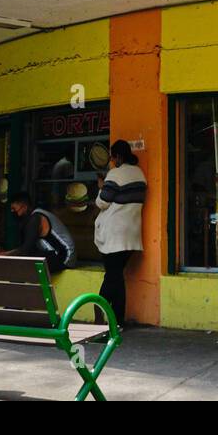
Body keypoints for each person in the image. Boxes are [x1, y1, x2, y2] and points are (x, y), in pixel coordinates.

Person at [95, 139, 146, 327]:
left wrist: (102, 187)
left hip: (114, 235)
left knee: (112, 275)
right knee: (116, 275)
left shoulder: (115, 174)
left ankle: (100, 313)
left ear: (117, 157)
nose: (112, 160)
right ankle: (116, 320)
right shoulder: (140, 174)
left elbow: (103, 202)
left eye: (112, 157)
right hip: (131, 235)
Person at [5, 192, 77, 272]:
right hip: (55, 255)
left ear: (24, 207)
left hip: (65, 258)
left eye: (14, 209)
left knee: (26, 261)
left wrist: (5, 255)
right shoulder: (31, 218)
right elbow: (22, 248)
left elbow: (26, 249)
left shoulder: (35, 218)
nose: (13, 212)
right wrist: (4, 254)